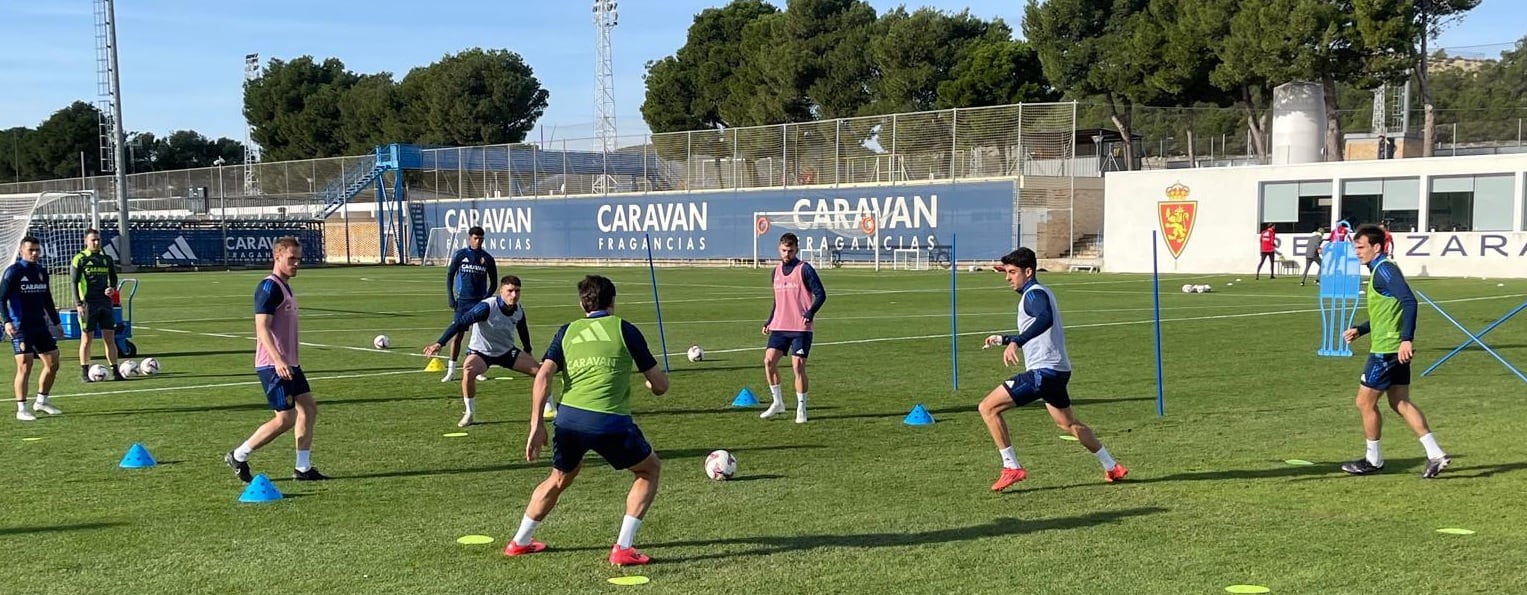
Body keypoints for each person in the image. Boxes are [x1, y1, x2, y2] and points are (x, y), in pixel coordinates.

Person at [504, 275, 668, 567]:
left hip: (569, 420)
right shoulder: (624, 329)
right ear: (613, 302)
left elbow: (542, 375)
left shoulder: (567, 331)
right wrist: (652, 386)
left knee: (559, 478)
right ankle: (623, 547)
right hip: (609, 421)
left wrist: (536, 425)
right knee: (649, 470)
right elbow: (660, 385)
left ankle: (519, 541)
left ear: (582, 303)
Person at [978, 247, 1126, 492]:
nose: (1008, 278)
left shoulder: (1034, 295)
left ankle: (1011, 467)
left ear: (1028, 271)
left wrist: (1017, 341)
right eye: (1006, 272)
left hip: (1043, 372)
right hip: (1058, 372)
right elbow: (1037, 324)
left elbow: (1044, 319)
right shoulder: (1037, 293)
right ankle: (1112, 466)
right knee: (1067, 423)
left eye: (1012, 272)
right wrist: (1004, 339)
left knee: (988, 408)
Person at [1340, 224, 1449, 479]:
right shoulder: (1379, 270)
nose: (1356, 252)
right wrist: (1361, 329)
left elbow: (1409, 301)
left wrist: (1406, 340)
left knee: (1364, 402)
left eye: (1361, 247)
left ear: (1376, 247)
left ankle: (1373, 460)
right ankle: (1435, 454)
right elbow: (1387, 312)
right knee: (1399, 401)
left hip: (1387, 350)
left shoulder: (1384, 270)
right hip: (1391, 346)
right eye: (1355, 247)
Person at [224, 237, 328, 483]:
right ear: (277, 256)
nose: (296, 263)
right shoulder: (268, 287)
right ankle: (238, 455)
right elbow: (262, 328)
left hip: (289, 364)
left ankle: (302, 468)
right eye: (291, 258)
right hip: (273, 365)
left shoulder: (285, 285)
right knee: (285, 418)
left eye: (298, 259)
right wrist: (278, 359)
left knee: (309, 409)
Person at [423, 275, 545, 427]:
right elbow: (460, 323)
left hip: (506, 352)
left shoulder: (518, 310)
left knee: (541, 372)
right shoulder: (486, 307)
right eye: (510, 291)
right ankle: (469, 413)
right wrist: (440, 343)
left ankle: (549, 407)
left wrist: (528, 350)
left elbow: (523, 329)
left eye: (517, 291)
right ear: (501, 291)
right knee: (468, 371)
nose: (514, 295)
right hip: (481, 353)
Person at [760, 232, 826, 423]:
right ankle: (777, 403)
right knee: (768, 362)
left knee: (797, 367)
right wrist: (769, 320)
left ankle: (801, 408)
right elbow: (777, 301)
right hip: (780, 326)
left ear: (796, 249)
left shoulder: (805, 269)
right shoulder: (776, 272)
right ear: (778, 249)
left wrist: (810, 313)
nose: (786, 254)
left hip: (800, 328)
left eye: (790, 250)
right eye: (783, 250)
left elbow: (821, 294)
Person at [1, 237, 64, 421]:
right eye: (31, 250)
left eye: (37, 250)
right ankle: (21, 408)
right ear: (21, 251)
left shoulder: (41, 271)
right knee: (25, 365)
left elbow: (47, 299)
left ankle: (41, 401)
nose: (35, 253)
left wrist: (56, 322)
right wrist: (6, 321)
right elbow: (1, 299)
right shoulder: (13, 272)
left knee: (53, 362)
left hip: (40, 325)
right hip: (20, 326)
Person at [442, 226, 497, 382]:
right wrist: (451, 297)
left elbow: (493, 284)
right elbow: (450, 276)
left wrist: (486, 299)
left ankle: (477, 369)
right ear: (469, 238)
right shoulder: (461, 255)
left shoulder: (487, 258)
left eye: (481, 238)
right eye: (476, 238)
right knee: (458, 335)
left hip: (479, 303)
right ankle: (451, 371)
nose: (478, 241)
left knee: (480, 337)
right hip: (463, 302)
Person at [71, 229, 123, 381]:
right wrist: (78, 304)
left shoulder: (106, 259)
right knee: (86, 339)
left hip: (105, 303)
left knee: (110, 338)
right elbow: (74, 282)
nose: (96, 242)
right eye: (93, 240)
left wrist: (112, 288)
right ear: (86, 241)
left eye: (98, 240)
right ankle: (84, 372)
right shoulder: (80, 259)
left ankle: (115, 371)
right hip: (88, 304)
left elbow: (113, 278)